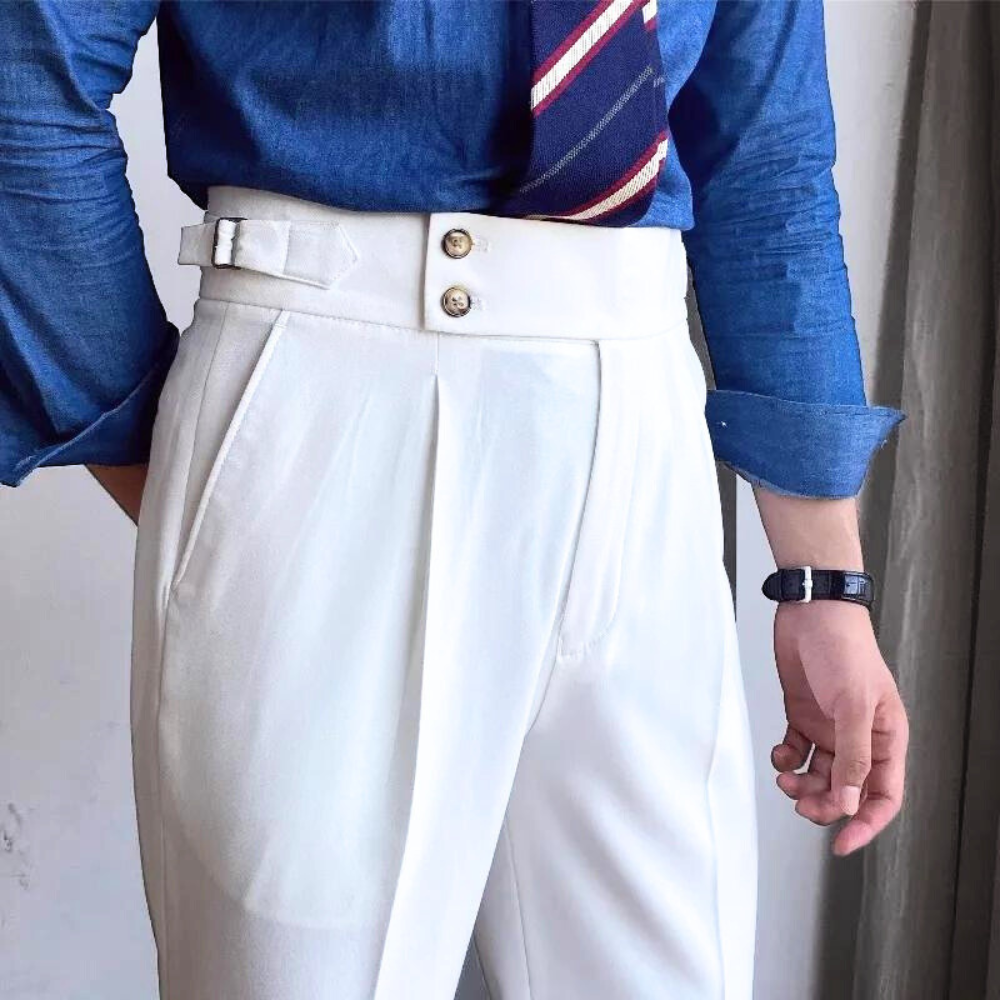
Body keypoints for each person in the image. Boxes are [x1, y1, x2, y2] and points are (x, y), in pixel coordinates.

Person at [0, 1, 910, 998]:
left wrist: (825, 580)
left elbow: (766, 159)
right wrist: (159, 449)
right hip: (328, 393)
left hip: (643, 425)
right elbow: (25, 70)